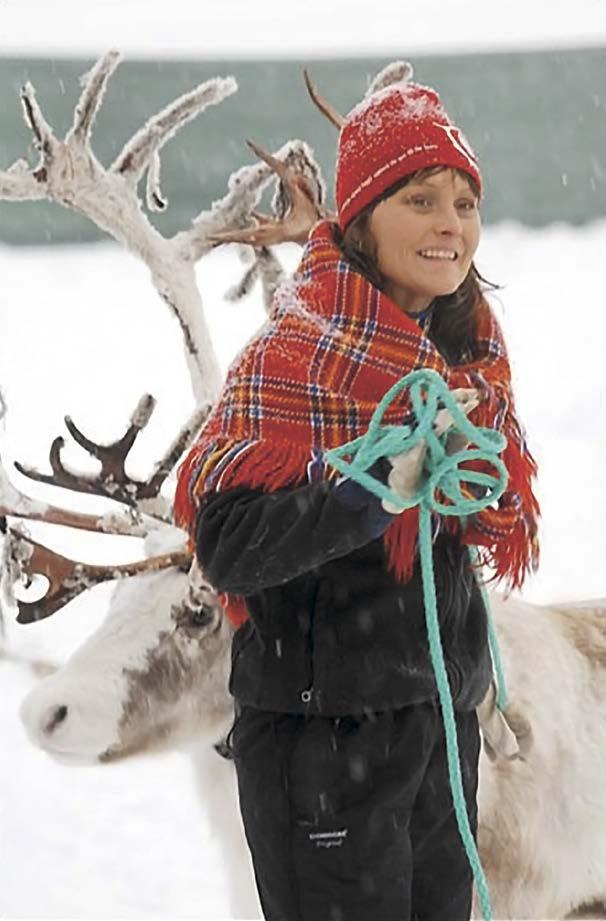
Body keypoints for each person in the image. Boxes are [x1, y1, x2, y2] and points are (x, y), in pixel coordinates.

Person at [175, 69, 540, 921]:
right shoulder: (292, 357)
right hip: (320, 752)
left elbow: (497, 515)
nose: (451, 223)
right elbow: (227, 544)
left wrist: (467, 476)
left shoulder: (467, 358)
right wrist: (367, 487)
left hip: (436, 732)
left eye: (464, 200)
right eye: (420, 198)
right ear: (363, 218)